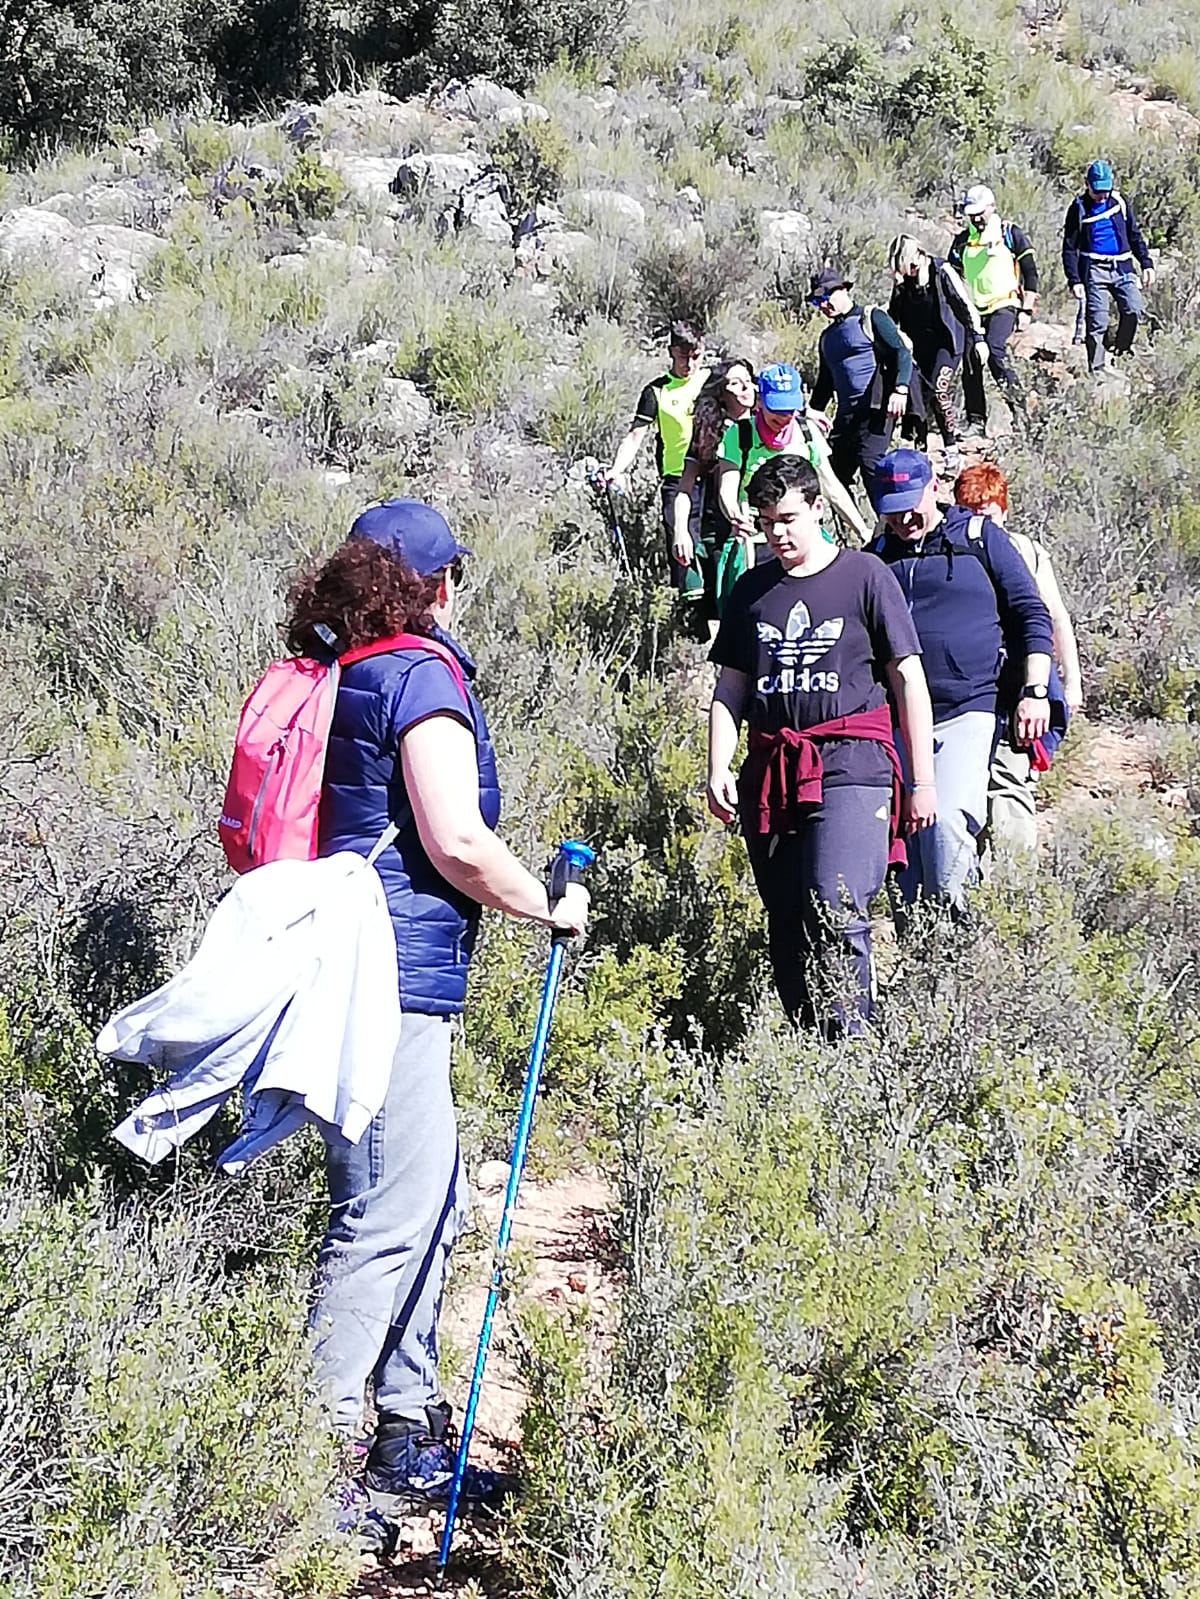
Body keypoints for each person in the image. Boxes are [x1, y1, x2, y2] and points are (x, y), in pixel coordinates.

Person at [288, 500, 589, 1527]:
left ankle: (404, 1424)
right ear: (437, 583)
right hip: (390, 980)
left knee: (435, 1195)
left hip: (361, 968)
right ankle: (320, 1463)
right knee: (384, 1212)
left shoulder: (344, 667)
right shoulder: (417, 677)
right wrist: (546, 905)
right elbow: (456, 840)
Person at [706, 453, 936, 1035]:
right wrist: (718, 766)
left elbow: (907, 678)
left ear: (817, 509)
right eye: (766, 523)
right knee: (786, 918)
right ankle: (809, 1046)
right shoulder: (751, 590)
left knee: (835, 902)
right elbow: (730, 688)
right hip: (773, 770)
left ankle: (851, 1046)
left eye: (787, 519)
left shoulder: (865, 575)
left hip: (852, 761)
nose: (777, 534)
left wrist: (922, 780)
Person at [867, 450, 1054, 914]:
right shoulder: (877, 557)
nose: (903, 519)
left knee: (947, 820)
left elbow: (1031, 613)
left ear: (934, 488)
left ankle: (957, 935)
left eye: (911, 504)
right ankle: (918, 939)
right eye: (891, 509)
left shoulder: (978, 537)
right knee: (905, 837)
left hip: (969, 706)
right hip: (897, 718)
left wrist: (1035, 691)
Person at [955, 462, 1079, 857]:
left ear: (1003, 510)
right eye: (968, 512)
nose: (979, 522)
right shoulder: (951, 551)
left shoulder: (1025, 551)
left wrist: (1071, 682)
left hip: (1020, 682)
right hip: (970, 684)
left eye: (987, 513)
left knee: (1009, 779)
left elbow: (1054, 617)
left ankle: (1014, 882)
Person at [713, 361, 871, 613]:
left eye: (790, 409)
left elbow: (831, 487)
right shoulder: (739, 435)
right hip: (756, 540)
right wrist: (735, 515)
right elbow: (727, 487)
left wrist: (863, 531)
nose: (784, 417)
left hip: (806, 539)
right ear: (760, 401)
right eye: (777, 409)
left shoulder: (807, 433)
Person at [605, 320, 710, 567]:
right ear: (671, 352)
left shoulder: (710, 380)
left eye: (695, 357)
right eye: (683, 357)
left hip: (712, 478)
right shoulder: (656, 391)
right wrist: (616, 469)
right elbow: (635, 436)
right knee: (683, 556)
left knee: (713, 554)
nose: (689, 364)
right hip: (677, 480)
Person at [886, 233, 988, 478]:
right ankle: (919, 451)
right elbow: (893, 317)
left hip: (948, 343)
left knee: (939, 391)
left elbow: (965, 305)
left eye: (911, 265)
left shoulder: (941, 271)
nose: (909, 271)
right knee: (919, 397)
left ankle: (951, 450)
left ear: (920, 256)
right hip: (920, 346)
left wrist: (978, 338)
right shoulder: (904, 283)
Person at [668, 356, 757, 633]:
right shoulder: (708, 434)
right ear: (721, 392)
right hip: (720, 532)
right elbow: (684, 489)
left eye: (749, 380)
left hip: (761, 529)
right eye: (735, 383)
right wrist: (681, 531)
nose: (746, 388)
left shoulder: (766, 427)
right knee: (728, 609)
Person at [808, 267, 914, 494]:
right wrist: (811, 413)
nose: (824, 305)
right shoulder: (827, 338)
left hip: (875, 410)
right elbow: (825, 383)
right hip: (846, 417)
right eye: (817, 302)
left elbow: (901, 352)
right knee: (834, 477)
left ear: (843, 289)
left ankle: (895, 514)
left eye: (826, 297)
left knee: (870, 464)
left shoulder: (870, 317)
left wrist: (900, 389)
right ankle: (853, 519)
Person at [949, 185, 1038, 439]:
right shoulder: (962, 241)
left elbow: (1030, 271)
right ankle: (976, 421)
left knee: (994, 351)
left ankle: (1020, 413)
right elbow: (952, 277)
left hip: (1004, 303)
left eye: (980, 213)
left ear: (992, 207)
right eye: (972, 214)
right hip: (974, 310)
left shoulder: (1009, 233)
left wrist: (1026, 309)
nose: (976, 218)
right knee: (971, 359)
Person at [1062, 157, 1155, 375]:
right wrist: (1074, 280)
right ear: (1087, 185)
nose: (1102, 196)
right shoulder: (1078, 208)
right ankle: (1097, 371)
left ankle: (1120, 351)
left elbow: (1134, 235)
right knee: (1097, 321)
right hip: (1094, 270)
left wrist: (1146, 263)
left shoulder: (1119, 202)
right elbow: (1069, 248)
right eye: (1097, 191)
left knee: (1134, 309)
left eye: (1106, 190)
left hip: (1123, 267)